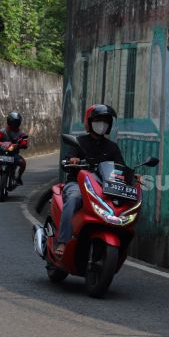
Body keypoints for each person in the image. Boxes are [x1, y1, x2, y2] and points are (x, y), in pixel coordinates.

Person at [55, 104, 125, 258]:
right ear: (90, 122)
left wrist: (132, 175)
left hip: (103, 188)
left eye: (105, 121)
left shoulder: (112, 148)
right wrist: (72, 160)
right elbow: (66, 161)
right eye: (98, 120)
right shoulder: (78, 142)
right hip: (78, 185)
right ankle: (62, 241)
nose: (102, 124)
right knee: (73, 199)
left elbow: (121, 168)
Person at [0, 111, 28, 186]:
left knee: (23, 163)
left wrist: (21, 145)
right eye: (13, 122)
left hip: (13, 154)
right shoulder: (2, 131)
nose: (14, 124)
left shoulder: (21, 133)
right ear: (9, 122)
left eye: (16, 122)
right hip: (2, 152)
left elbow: (24, 141)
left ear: (19, 123)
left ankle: (18, 178)